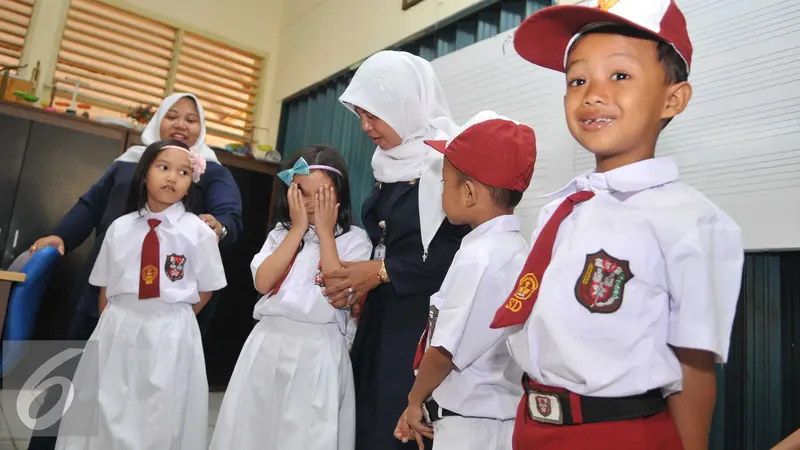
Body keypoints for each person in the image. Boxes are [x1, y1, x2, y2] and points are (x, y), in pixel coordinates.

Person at [489, 1, 744, 449]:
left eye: (620, 75)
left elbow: (695, 366)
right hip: (532, 427)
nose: (592, 93)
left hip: (619, 433)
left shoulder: (692, 221)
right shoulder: (564, 208)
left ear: (673, 98)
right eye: (577, 80)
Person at [27, 93, 242, 450]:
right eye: (172, 116)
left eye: (191, 119)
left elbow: (230, 217)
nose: (181, 125)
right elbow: (90, 204)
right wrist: (59, 235)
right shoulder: (128, 162)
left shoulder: (212, 170)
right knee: (74, 378)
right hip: (108, 289)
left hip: (165, 307)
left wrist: (217, 227)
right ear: (158, 120)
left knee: (144, 401)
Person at [325, 50, 470, 450]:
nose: (365, 127)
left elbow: (457, 258)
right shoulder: (386, 165)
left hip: (421, 323)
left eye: (374, 114)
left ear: (405, 105)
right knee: (364, 418)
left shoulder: (447, 165)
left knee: (398, 424)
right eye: (360, 115)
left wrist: (382, 271)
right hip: (379, 316)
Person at [55, 140, 227, 450]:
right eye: (163, 168)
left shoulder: (199, 232)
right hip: (119, 327)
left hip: (172, 332)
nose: (172, 177)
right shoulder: (120, 228)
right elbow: (106, 287)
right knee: (106, 405)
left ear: (191, 184)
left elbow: (207, 287)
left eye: (183, 172)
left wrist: (174, 319)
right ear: (144, 173)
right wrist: (115, 323)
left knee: (159, 414)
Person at [209, 145, 372, 450]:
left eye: (322, 195)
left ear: (340, 195)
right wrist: (297, 229)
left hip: (318, 349)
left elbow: (339, 296)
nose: (312, 204)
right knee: (254, 429)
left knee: (305, 435)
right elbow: (262, 281)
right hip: (268, 343)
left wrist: (325, 234)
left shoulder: (355, 241)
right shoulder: (280, 235)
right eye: (303, 194)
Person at [393, 111, 536, 450]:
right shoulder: (517, 249)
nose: (441, 191)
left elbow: (443, 350)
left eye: (444, 182)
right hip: (498, 421)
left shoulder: (478, 258)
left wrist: (414, 401)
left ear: (469, 193)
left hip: (470, 429)